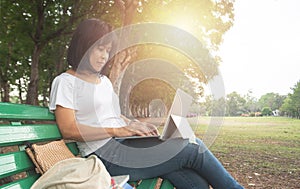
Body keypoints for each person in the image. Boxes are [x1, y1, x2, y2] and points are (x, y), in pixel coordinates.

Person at [49, 18, 244, 189]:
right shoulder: (66, 82)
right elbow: (69, 129)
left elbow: (114, 116)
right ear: (84, 45)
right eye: (100, 49)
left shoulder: (104, 81)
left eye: (108, 50)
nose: (104, 56)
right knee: (192, 148)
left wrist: (133, 124)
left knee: (192, 179)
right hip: (104, 156)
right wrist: (117, 131)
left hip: (125, 145)